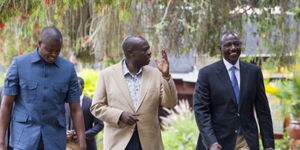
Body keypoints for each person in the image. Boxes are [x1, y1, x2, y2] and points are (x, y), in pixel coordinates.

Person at [0, 26, 87, 150]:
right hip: (24, 140)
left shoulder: (68, 69)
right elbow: (6, 104)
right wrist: (1, 141)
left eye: (57, 51)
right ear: (39, 43)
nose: (53, 55)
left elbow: (75, 109)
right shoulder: (19, 64)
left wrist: (82, 142)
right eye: (49, 50)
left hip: (54, 140)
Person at [90, 35, 178, 150]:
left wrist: (166, 76)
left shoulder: (156, 74)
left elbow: (170, 103)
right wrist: (119, 115)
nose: (149, 53)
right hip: (119, 143)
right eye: (145, 49)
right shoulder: (107, 75)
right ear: (131, 53)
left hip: (149, 143)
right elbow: (96, 107)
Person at [193, 31, 274, 150]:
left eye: (236, 44)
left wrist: (269, 145)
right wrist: (211, 142)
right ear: (220, 48)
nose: (233, 48)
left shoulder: (253, 72)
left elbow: (263, 111)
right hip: (218, 141)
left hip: (246, 139)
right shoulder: (207, 74)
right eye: (228, 45)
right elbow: (201, 111)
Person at [65, 77, 103, 150]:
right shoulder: (64, 102)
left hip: (87, 144)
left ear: (83, 87)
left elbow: (100, 125)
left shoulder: (92, 103)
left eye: (77, 86)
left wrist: (83, 134)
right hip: (67, 145)